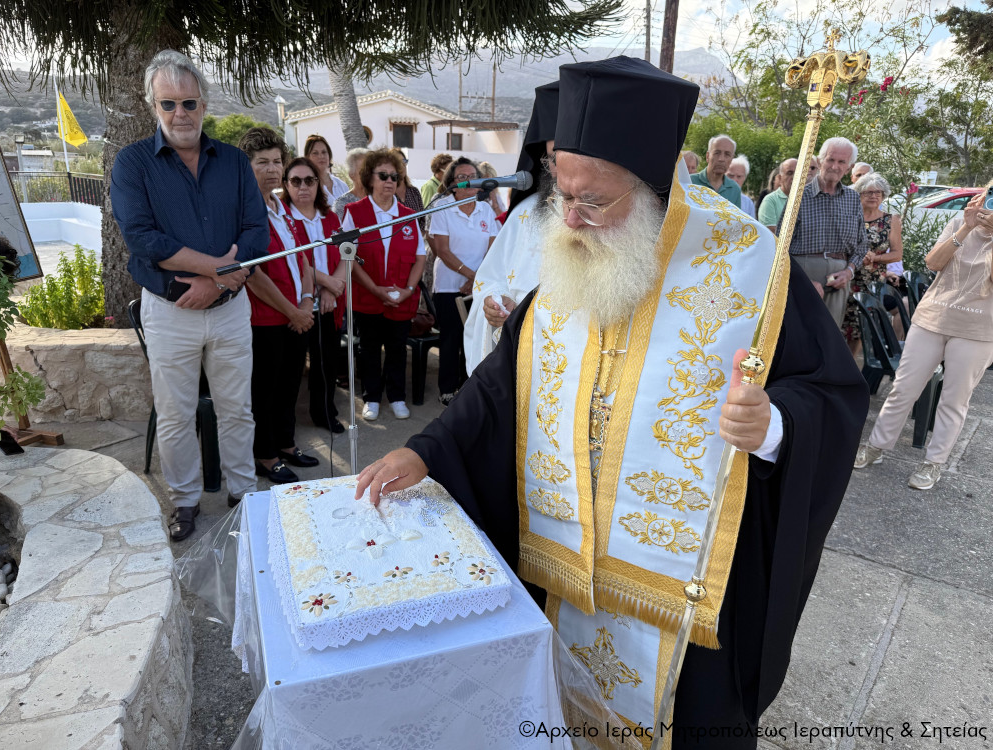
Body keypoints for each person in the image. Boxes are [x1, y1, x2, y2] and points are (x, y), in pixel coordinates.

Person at [357, 56, 868, 747]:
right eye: (561, 191)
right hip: (562, 566)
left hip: (681, 596)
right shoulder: (571, 245)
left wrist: (773, 424)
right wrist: (426, 451)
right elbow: (504, 385)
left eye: (593, 200)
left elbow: (832, 396)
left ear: (656, 189)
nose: (569, 216)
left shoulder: (749, 266)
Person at [111, 50, 266, 541]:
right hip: (170, 310)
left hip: (228, 309)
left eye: (190, 102)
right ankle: (184, 502)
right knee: (176, 414)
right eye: (169, 104)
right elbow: (142, 239)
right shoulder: (132, 163)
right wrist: (217, 269)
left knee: (237, 407)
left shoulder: (236, 162)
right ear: (153, 107)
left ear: (204, 104)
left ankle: (244, 493)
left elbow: (256, 232)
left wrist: (218, 282)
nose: (181, 114)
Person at [855, 190, 993, 490]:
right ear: (982, 196)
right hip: (932, 319)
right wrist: (967, 228)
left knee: (954, 400)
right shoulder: (958, 222)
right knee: (903, 388)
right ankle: (877, 445)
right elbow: (933, 262)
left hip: (978, 330)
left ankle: (934, 463)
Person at [238, 129, 321, 485]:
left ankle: (286, 445)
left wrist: (305, 301)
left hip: (295, 313)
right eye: (262, 162)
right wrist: (292, 310)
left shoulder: (280, 206)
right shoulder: (243, 210)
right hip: (267, 319)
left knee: (289, 386)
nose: (272, 169)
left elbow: (302, 259)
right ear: (247, 165)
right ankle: (266, 455)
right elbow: (252, 274)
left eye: (276, 161)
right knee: (265, 391)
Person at [463, 80, 559, 374]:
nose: (562, 170)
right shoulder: (524, 214)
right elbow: (489, 280)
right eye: (553, 160)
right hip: (519, 358)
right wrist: (493, 302)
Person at [341, 148, 426, 421]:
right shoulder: (355, 212)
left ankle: (397, 396)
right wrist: (375, 289)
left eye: (394, 176)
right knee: (369, 348)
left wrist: (408, 291)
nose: (389, 181)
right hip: (369, 297)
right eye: (383, 175)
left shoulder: (407, 215)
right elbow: (348, 257)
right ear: (370, 178)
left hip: (401, 297)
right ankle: (372, 398)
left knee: (397, 349)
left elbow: (420, 258)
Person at [279, 156, 348, 434]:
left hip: (330, 301)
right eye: (296, 181)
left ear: (318, 183)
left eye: (309, 180)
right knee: (292, 367)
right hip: (297, 303)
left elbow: (346, 253)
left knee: (327, 362)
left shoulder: (329, 216)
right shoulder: (283, 217)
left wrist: (334, 287)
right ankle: (286, 426)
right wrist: (328, 283)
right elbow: (299, 260)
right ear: (286, 184)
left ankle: (324, 411)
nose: (303, 187)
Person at [428, 157, 499, 404]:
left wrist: (476, 280)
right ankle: (447, 389)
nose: (469, 181)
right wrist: (471, 276)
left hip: (478, 286)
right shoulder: (442, 207)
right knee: (451, 338)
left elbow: (493, 248)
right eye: (461, 177)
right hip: (449, 285)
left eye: (473, 177)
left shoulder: (486, 209)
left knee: (474, 336)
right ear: (451, 183)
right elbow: (443, 251)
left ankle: (467, 388)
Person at [782, 137, 869, 327]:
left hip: (839, 277)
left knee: (830, 336)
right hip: (803, 273)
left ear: (848, 167)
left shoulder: (853, 198)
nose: (835, 166)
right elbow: (780, 244)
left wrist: (849, 271)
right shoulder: (799, 196)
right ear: (820, 161)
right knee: (799, 334)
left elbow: (862, 244)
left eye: (841, 162)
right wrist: (803, 281)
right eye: (830, 160)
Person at [843, 173, 904, 354]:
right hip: (846, 277)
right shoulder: (848, 217)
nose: (874, 196)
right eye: (868, 192)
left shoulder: (891, 220)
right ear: (859, 194)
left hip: (871, 282)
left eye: (879, 192)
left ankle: (850, 368)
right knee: (839, 324)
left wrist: (874, 258)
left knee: (862, 326)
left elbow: (897, 254)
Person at [690, 134, 742, 208]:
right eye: (717, 153)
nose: (721, 159)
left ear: (731, 160)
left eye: (727, 154)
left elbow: (735, 219)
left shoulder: (734, 189)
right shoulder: (690, 182)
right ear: (708, 156)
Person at [304, 134, 351, 205]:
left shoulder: (341, 185)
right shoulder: (305, 187)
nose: (321, 156)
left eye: (324, 152)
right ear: (307, 157)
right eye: (315, 153)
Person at [758, 158, 797, 231]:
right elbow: (772, 234)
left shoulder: (808, 199)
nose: (794, 177)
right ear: (780, 178)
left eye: (798, 173)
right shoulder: (770, 201)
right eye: (789, 173)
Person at [332, 148, 371, 220]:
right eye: (363, 171)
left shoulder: (379, 199)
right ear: (352, 175)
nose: (368, 174)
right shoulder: (342, 204)